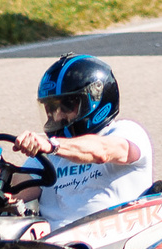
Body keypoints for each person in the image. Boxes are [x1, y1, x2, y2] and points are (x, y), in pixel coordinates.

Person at [11, 54, 153, 229]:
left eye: (66, 107)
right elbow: (13, 193)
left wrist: (53, 146)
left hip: (111, 241)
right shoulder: (47, 156)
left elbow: (102, 151)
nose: (58, 116)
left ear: (94, 100)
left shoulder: (126, 131)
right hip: (53, 247)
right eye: (52, 109)